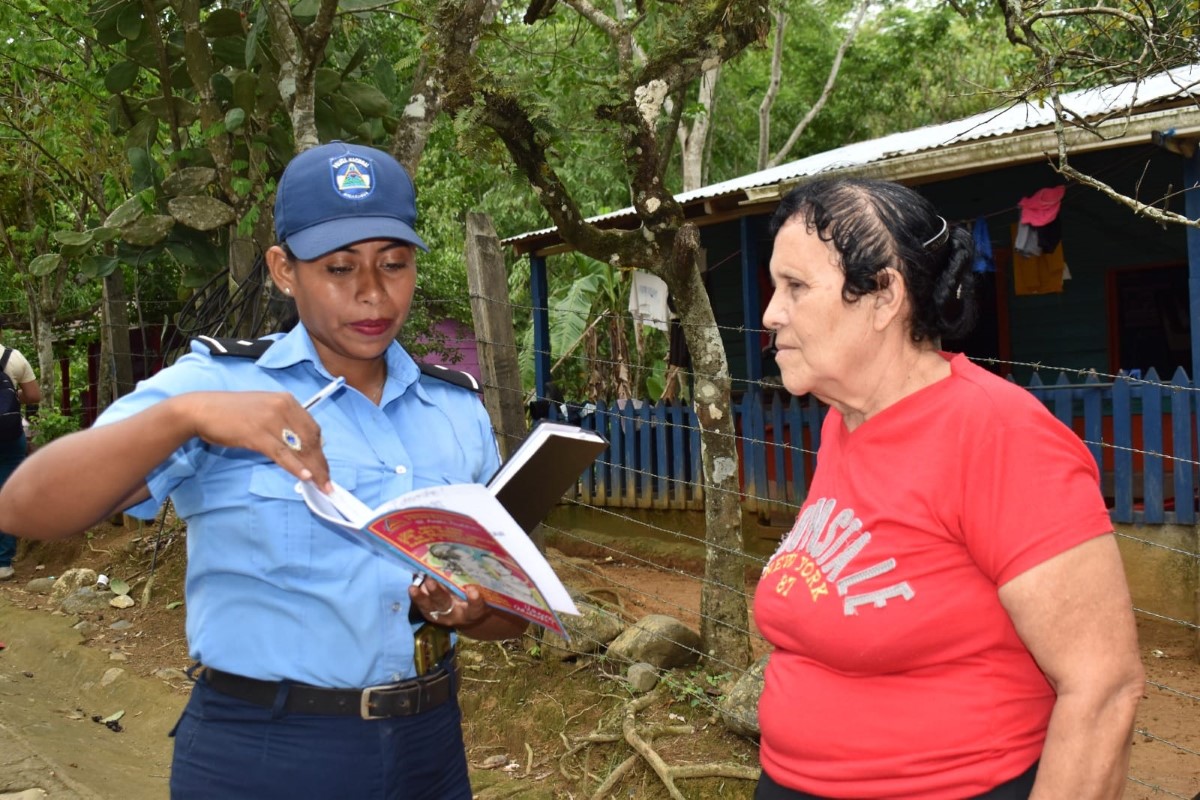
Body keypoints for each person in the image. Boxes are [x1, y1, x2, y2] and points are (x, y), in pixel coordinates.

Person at [0, 141, 527, 799]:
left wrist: (472, 612)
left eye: (394, 264)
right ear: (283, 270)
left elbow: (514, 609)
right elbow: (23, 506)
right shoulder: (216, 385)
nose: (372, 292)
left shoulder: (455, 409)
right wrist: (186, 418)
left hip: (430, 748)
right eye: (339, 267)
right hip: (264, 752)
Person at [753, 178, 1143, 800]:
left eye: (795, 287)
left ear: (883, 297)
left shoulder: (997, 434)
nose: (771, 312)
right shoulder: (843, 422)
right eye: (776, 287)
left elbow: (1104, 688)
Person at [0, 329, 41, 581]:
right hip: (8, 434)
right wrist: (14, 397)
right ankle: (3, 562)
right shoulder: (13, 357)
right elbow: (34, 395)